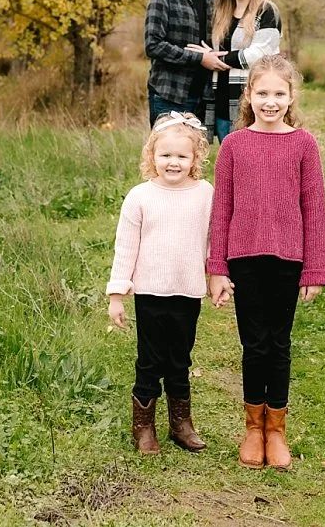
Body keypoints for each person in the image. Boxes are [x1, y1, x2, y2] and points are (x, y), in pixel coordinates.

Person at [205, 54, 325, 471]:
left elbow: (315, 209)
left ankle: (276, 428)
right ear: (248, 95)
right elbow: (221, 209)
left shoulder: (303, 144)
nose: (271, 101)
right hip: (244, 258)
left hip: (287, 259)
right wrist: (217, 268)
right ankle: (253, 427)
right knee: (252, 344)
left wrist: (315, 269)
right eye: (262, 93)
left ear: (292, 96)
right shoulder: (234, 145)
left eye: (279, 93)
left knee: (278, 345)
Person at [107, 112, 214, 455]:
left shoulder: (204, 194)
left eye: (182, 156)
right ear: (151, 155)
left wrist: (216, 277)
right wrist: (117, 294)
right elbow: (125, 247)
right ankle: (143, 428)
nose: (173, 162)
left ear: (195, 158)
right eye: (165, 155)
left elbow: (213, 241)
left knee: (180, 359)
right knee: (150, 360)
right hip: (151, 293)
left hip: (188, 291)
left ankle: (181, 424)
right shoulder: (140, 196)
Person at [144, 0, 228, 125]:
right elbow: (153, 45)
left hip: (204, 97)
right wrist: (199, 58)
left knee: (196, 153)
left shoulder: (213, 0)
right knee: (167, 152)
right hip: (169, 95)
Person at [204, 0, 283, 140]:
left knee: (256, 159)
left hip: (253, 100)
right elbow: (212, 49)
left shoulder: (266, 11)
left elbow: (260, 55)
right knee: (231, 158)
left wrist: (219, 59)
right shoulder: (221, 12)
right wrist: (206, 55)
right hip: (223, 98)